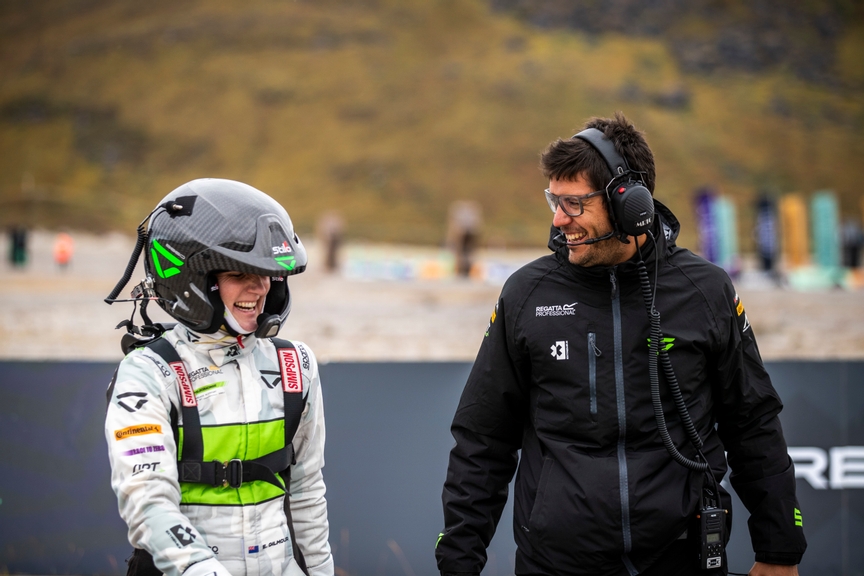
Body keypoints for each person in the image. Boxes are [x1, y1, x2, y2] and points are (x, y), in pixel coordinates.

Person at [435, 113, 806, 576]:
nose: (557, 219)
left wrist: (779, 550)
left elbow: (752, 424)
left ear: (628, 203)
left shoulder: (705, 291)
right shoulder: (527, 294)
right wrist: (458, 562)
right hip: (556, 564)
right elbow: (484, 438)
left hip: (683, 559)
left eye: (573, 204)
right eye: (553, 200)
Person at [104, 178, 333, 576]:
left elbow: (308, 490)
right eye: (238, 274)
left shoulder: (297, 365)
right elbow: (146, 501)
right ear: (195, 282)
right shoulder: (146, 373)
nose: (259, 288)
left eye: (266, 275)